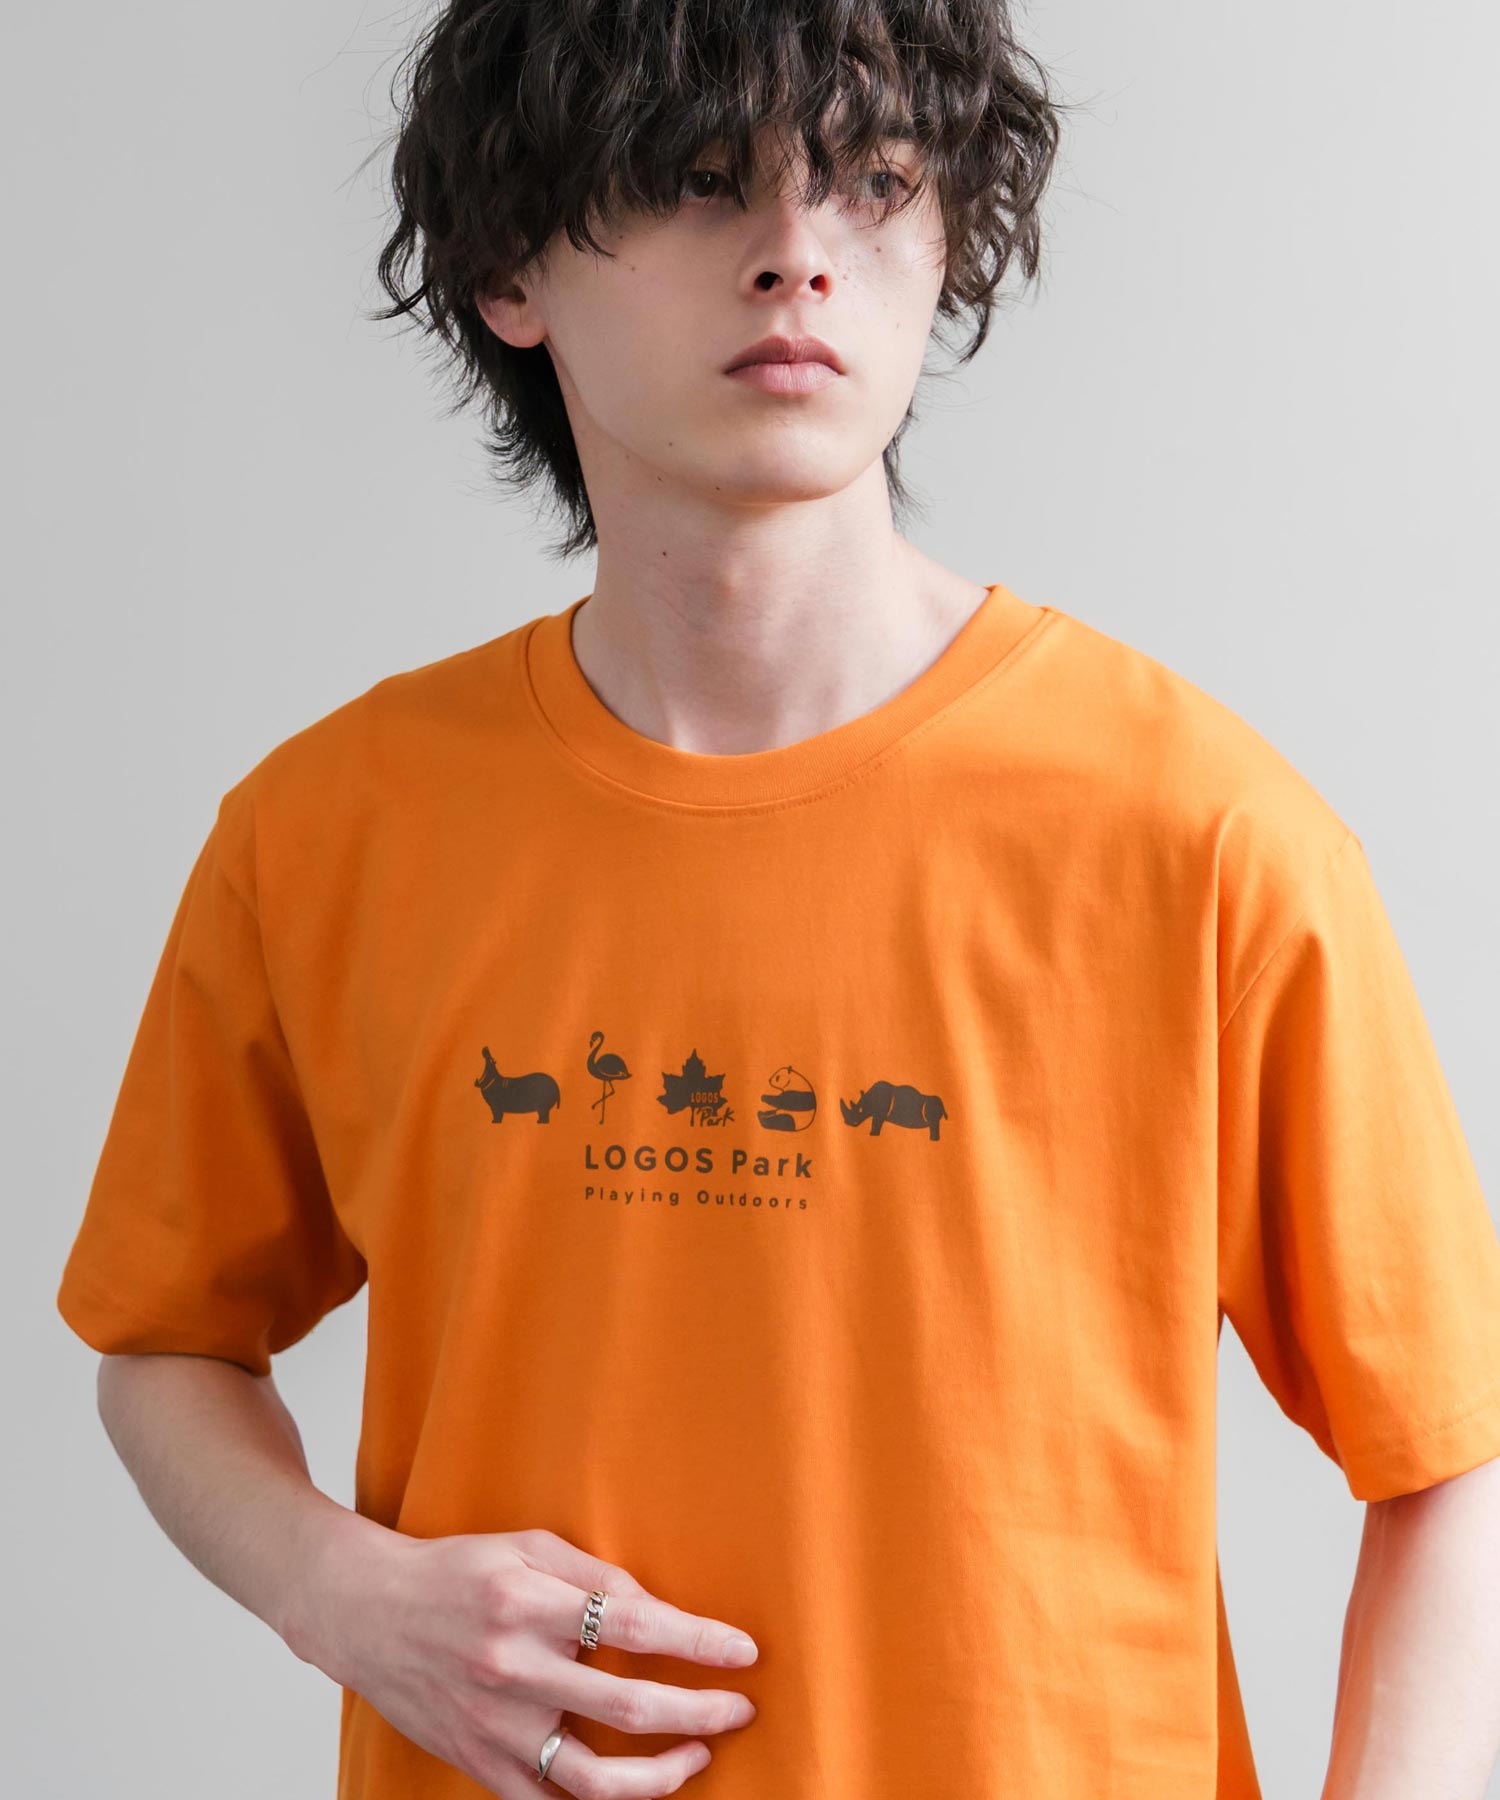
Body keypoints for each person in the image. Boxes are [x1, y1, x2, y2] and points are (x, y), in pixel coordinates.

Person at [56, 1, 1500, 1797]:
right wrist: (338, 1596)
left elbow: (1452, 1450)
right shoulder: (326, 833)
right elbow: (161, 1345)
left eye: (872, 180)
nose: (798, 252)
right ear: (510, 269)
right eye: (696, 177)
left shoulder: (1202, 835)